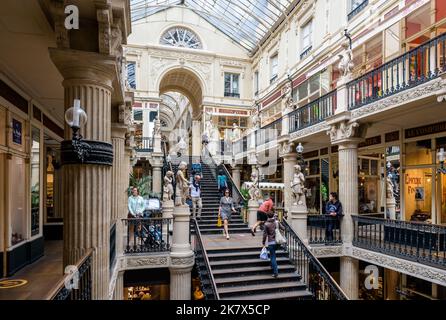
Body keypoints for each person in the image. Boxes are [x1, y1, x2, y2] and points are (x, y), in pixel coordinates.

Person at [262, 211, 285, 278]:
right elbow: (283, 228)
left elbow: (265, 234)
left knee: (272, 257)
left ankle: (275, 272)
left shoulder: (266, 224)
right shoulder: (277, 222)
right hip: (278, 242)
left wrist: (263, 242)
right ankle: (272, 265)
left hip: (271, 242)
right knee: (273, 255)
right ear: (273, 216)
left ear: (267, 216)